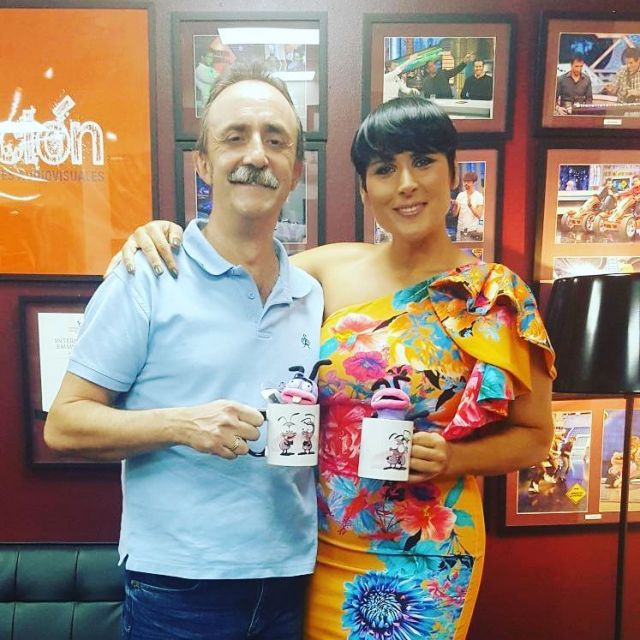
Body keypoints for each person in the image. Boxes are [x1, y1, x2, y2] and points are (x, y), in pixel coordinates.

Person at [117, 97, 556, 639]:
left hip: (427, 548)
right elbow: (229, 266)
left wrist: (455, 457)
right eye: (384, 169)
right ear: (366, 190)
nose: (406, 184)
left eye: (423, 162)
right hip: (316, 544)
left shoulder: (494, 295)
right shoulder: (328, 267)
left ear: (453, 174)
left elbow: (535, 438)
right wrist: (161, 237)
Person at [44, 65, 325, 640]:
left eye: (276, 140)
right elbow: (64, 424)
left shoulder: (312, 294)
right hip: (179, 587)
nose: (257, 154)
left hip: (293, 578)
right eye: (234, 137)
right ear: (202, 162)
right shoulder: (148, 274)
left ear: (296, 170)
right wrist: (182, 424)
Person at [451, 170, 485, 241]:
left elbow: (479, 215)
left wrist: (470, 206)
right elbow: (455, 214)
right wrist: (454, 205)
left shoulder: (479, 196)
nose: (466, 183)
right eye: (465, 181)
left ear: (474, 183)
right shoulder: (460, 195)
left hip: (472, 231)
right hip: (460, 230)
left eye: (468, 182)